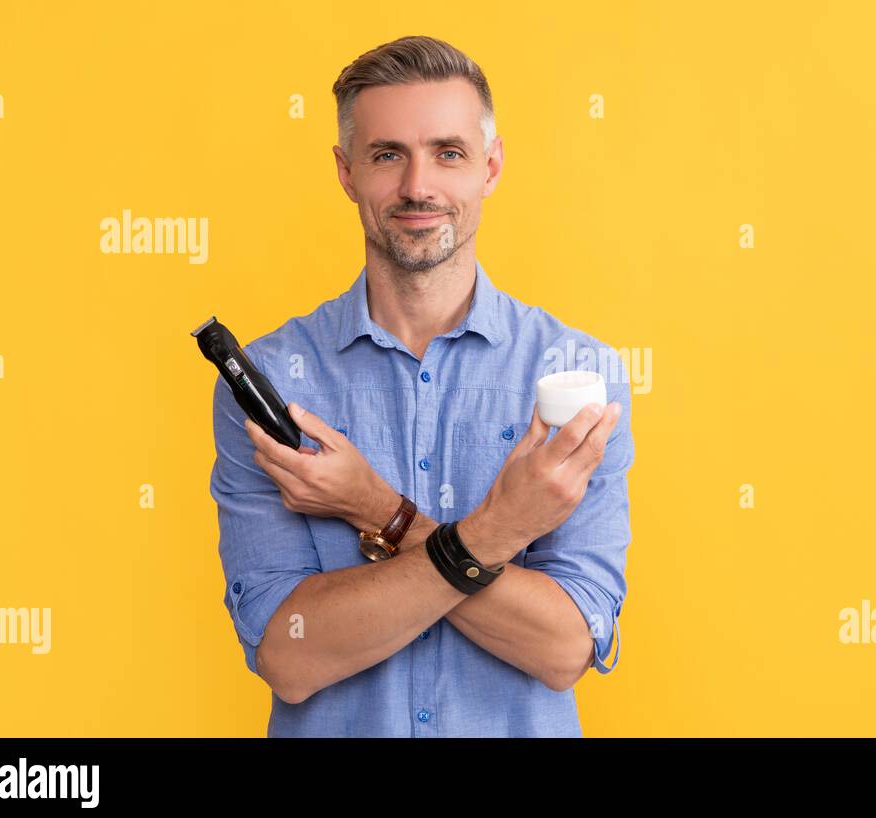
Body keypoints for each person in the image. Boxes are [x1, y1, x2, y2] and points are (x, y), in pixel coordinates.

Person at [206, 35, 633, 736]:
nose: (417, 187)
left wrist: (375, 508)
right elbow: (291, 653)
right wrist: (498, 533)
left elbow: (563, 648)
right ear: (346, 172)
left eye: (448, 152)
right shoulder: (270, 384)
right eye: (386, 155)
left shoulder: (576, 374)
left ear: (490, 167)